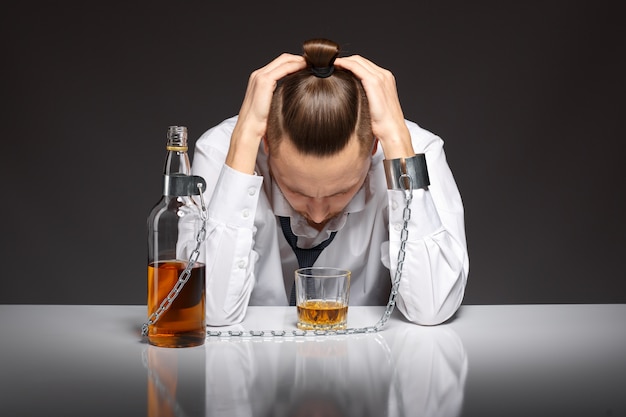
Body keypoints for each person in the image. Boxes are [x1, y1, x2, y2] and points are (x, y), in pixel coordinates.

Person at [192, 38, 468, 326]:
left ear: (374, 147)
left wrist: (398, 141)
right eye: (297, 191)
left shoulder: (414, 151)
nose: (318, 214)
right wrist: (245, 138)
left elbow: (433, 308)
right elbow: (211, 311)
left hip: (371, 363)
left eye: (341, 192)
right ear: (266, 145)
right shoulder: (222, 151)